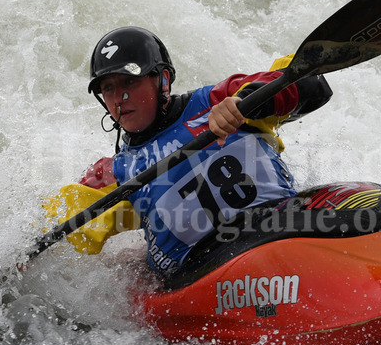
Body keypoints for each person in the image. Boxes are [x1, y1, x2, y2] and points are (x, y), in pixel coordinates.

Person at [46, 26, 332, 278]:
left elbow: (309, 83)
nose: (119, 98)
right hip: (203, 277)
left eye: (130, 82)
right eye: (108, 88)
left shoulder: (219, 100)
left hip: (282, 233)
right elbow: (59, 226)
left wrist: (246, 104)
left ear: (164, 80)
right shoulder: (116, 174)